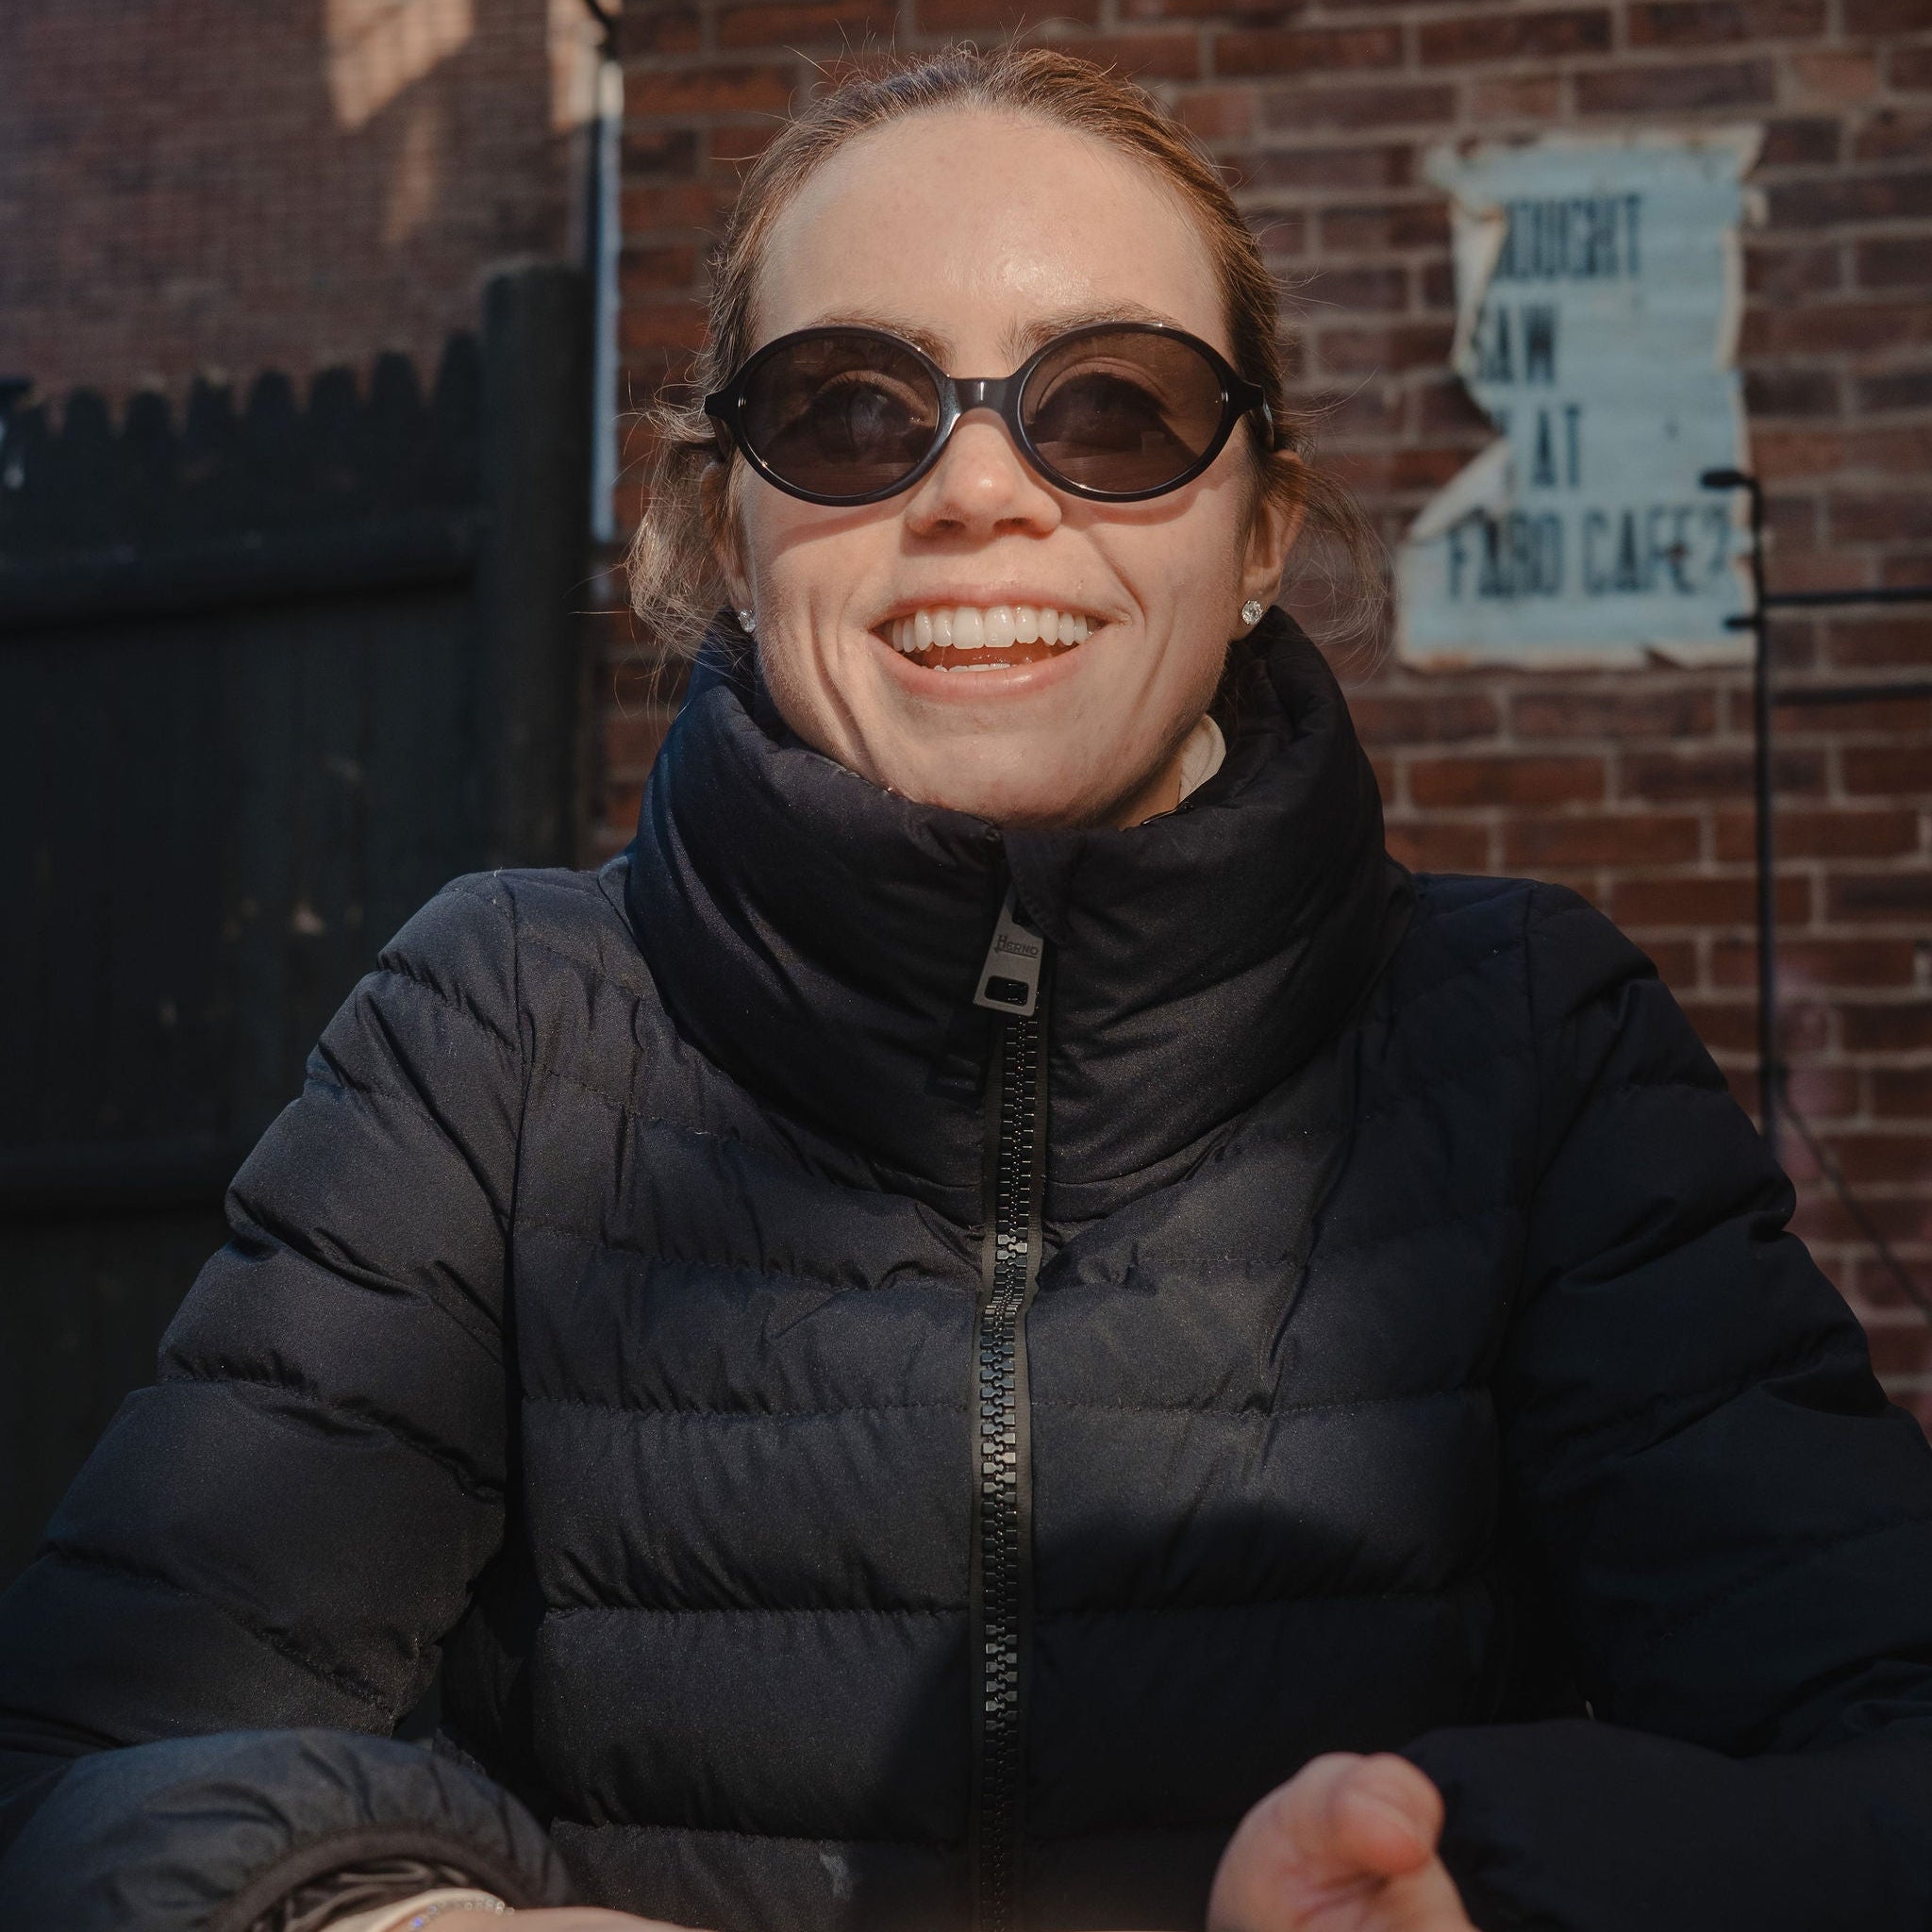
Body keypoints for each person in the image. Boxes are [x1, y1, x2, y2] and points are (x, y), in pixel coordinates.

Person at [4, 42, 1932, 1932]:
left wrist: (1486, 1872)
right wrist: (392, 1916)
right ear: (724, 530)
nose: (982, 491)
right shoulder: (501, 1035)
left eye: (1115, 407)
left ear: (1260, 528)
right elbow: (85, 1777)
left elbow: (1883, 1760)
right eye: (850, 409)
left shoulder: (1529, 1040)